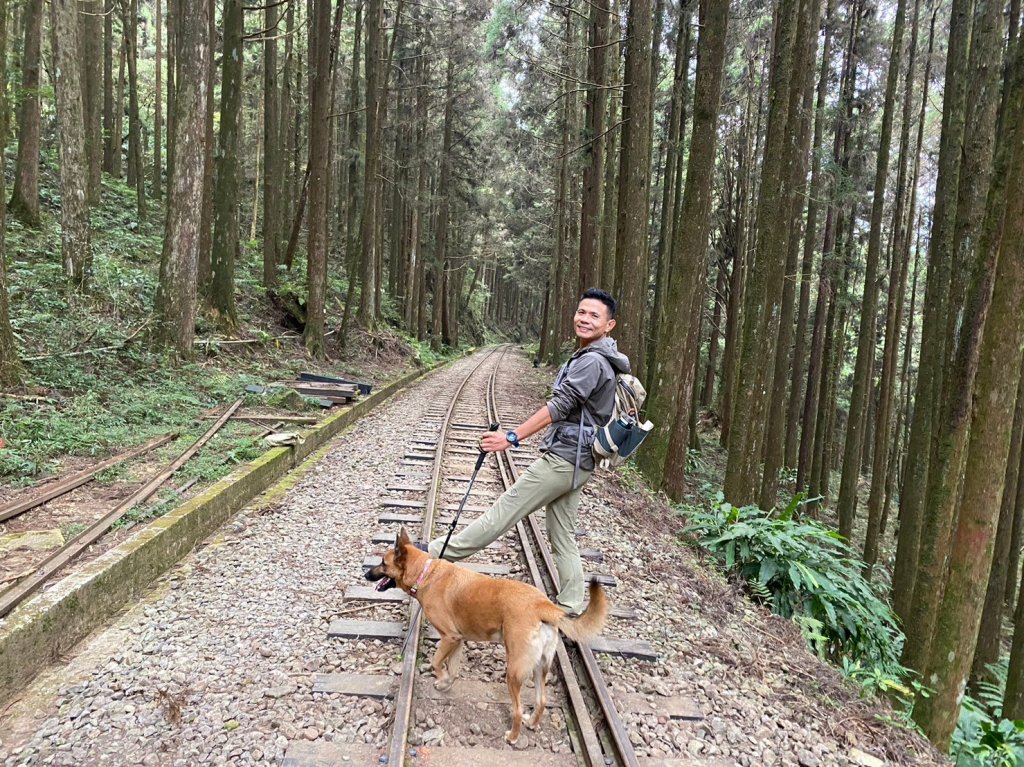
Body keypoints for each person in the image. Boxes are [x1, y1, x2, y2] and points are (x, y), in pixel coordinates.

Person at [424, 287, 630, 614]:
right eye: (582, 312)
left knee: (503, 511)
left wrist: (511, 437)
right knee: (562, 533)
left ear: (609, 325)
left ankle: (431, 554)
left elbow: (560, 406)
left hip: (564, 459)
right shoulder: (601, 357)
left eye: (594, 316)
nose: (585, 319)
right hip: (579, 460)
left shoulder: (591, 360)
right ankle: (572, 604)